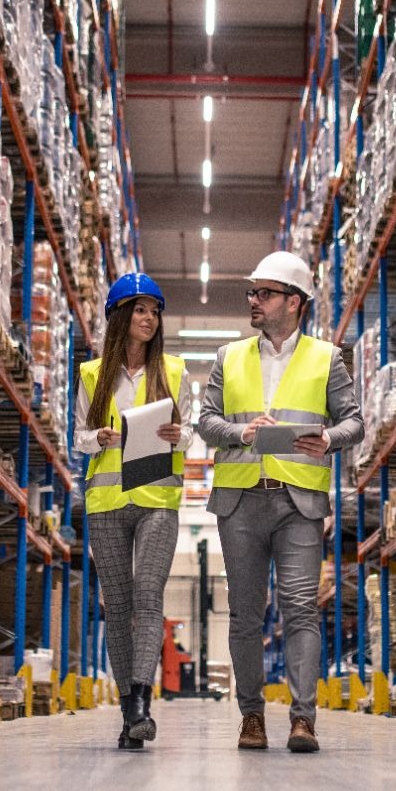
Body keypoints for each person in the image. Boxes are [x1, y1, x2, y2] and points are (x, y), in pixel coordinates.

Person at [196, 252, 364, 753]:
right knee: (246, 614)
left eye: (264, 293)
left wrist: (329, 440)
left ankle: (302, 720)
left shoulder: (326, 358)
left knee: (299, 609)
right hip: (240, 500)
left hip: (299, 503)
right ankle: (251, 718)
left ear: (294, 302)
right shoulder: (228, 357)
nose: (253, 301)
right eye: (252, 293)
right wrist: (242, 432)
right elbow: (205, 421)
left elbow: (354, 422)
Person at [74, 273, 191, 751]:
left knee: (148, 595)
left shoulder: (177, 371)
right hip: (105, 503)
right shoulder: (91, 374)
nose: (149, 318)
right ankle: (129, 713)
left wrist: (177, 437)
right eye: (140, 309)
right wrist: (97, 438)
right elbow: (78, 438)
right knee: (117, 607)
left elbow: (188, 432)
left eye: (155, 311)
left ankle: (141, 702)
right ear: (120, 316)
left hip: (157, 498)